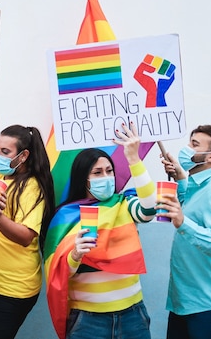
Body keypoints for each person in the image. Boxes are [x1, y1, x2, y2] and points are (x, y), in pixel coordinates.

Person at [44, 122, 156, 339]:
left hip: (133, 316)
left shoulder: (125, 203)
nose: (106, 176)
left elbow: (149, 210)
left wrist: (134, 159)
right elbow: (57, 274)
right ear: (83, 178)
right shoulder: (65, 217)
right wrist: (75, 255)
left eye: (109, 171)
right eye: (97, 172)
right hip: (88, 321)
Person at [0, 77, 55, 339]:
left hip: (11, 290)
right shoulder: (4, 169)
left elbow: (27, 235)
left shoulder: (32, 187)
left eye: (4, 151)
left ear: (23, 155)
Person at [158, 125, 211, 339]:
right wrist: (180, 177)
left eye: (194, 145)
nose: (186, 150)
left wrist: (183, 222)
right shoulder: (200, 184)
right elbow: (194, 208)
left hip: (206, 305)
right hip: (182, 300)